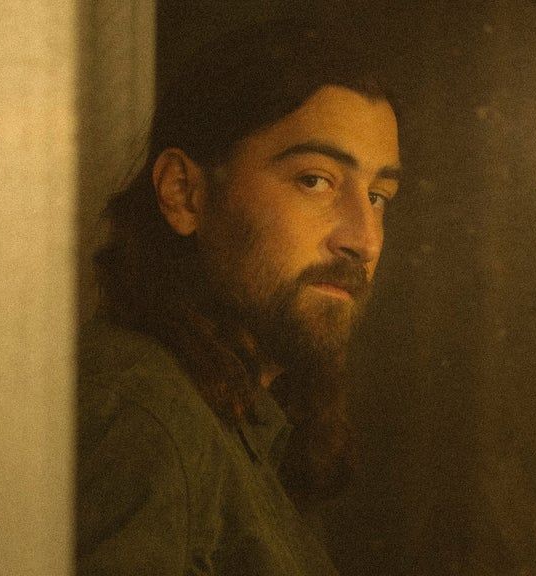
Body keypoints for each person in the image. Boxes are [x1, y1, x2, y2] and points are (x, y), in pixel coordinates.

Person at [76, 19, 403, 575]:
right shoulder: (140, 420)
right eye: (314, 180)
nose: (364, 240)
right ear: (184, 193)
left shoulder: (237, 412)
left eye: (377, 196)